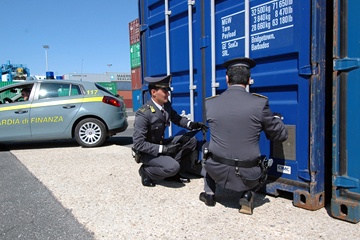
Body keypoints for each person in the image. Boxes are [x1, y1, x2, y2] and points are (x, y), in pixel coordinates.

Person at [199, 57, 288, 214]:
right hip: (248, 174)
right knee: (258, 158)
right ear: (249, 80)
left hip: (216, 169)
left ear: (227, 78)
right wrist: (277, 121)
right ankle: (247, 195)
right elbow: (279, 135)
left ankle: (209, 194)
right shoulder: (259, 104)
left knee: (206, 147)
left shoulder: (210, 103)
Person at [132, 75, 207, 187]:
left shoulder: (166, 105)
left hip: (161, 144)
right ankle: (146, 171)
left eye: (168, 90)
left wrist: (192, 124)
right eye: (165, 91)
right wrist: (163, 149)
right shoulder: (144, 114)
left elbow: (177, 118)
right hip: (147, 152)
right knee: (173, 167)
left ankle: (171, 172)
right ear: (153, 92)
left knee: (191, 140)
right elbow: (138, 144)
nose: (168, 94)